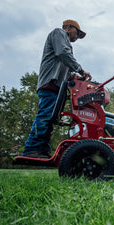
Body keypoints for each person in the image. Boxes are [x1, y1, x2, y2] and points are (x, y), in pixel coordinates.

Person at [22, 19, 92, 158]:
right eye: (77, 34)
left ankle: (41, 151)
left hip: (57, 86)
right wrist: (80, 70)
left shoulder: (63, 42)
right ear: (69, 28)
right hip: (50, 83)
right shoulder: (59, 33)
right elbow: (63, 54)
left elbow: (65, 68)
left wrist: (77, 77)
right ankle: (32, 149)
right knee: (45, 115)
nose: (77, 38)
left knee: (50, 118)